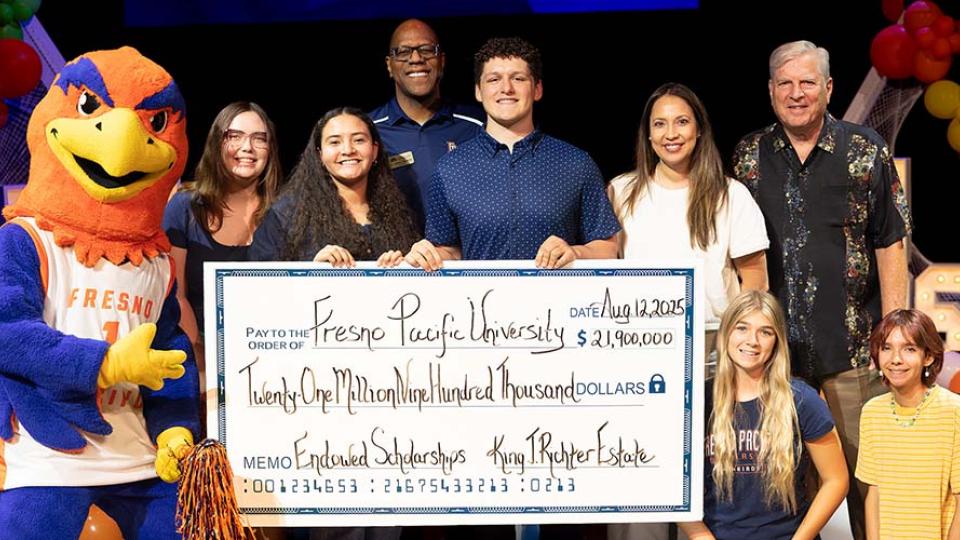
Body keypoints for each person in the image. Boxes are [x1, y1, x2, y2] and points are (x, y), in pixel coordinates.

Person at [732, 40, 912, 540]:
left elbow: (891, 240)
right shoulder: (748, 155)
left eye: (807, 82)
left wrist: (892, 333)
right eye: (784, 84)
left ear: (828, 88)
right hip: (774, 358)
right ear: (770, 92)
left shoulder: (863, 149)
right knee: (779, 487)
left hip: (854, 354)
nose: (796, 93)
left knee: (863, 481)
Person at [406, 36, 619, 270]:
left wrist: (575, 252)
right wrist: (427, 254)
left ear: (537, 89)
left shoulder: (575, 163)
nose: (506, 88)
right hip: (479, 303)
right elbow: (449, 250)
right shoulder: (449, 169)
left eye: (518, 78)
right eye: (494, 79)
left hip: (555, 303)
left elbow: (608, 247)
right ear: (478, 91)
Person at [609, 82, 768, 364]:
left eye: (682, 122)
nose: (671, 134)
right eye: (659, 124)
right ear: (648, 134)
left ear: (699, 129)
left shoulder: (730, 195)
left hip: (714, 353)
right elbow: (605, 265)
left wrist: (736, 337)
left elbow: (755, 278)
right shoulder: (621, 192)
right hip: (639, 347)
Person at [680, 290, 848, 540]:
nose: (753, 341)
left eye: (765, 332)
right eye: (742, 328)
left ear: (777, 341)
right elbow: (673, 486)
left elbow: (836, 480)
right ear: (726, 333)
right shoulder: (695, 402)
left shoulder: (802, 400)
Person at [163, 101, 282, 364]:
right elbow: (175, 294)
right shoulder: (185, 207)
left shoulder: (285, 212)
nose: (247, 147)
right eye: (234, 136)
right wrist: (198, 354)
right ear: (217, 143)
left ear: (270, 149)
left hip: (270, 355)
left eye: (259, 139)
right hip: (197, 355)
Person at [249, 106, 418, 268]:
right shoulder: (288, 214)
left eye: (359, 140)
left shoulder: (398, 213)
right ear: (320, 154)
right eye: (335, 142)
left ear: (374, 150)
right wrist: (312, 271)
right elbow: (258, 285)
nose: (348, 150)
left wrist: (405, 266)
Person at [370, 18, 483, 229]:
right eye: (403, 52)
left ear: (442, 61)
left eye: (427, 49)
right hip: (394, 258)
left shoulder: (477, 126)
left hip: (463, 258)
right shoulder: (368, 131)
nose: (416, 58)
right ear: (389, 65)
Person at [857, 309, 960, 539]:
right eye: (886, 348)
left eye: (909, 349)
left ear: (929, 356)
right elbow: (874, 494)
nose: (896, 359)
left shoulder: (953, 411)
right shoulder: (872, 412)